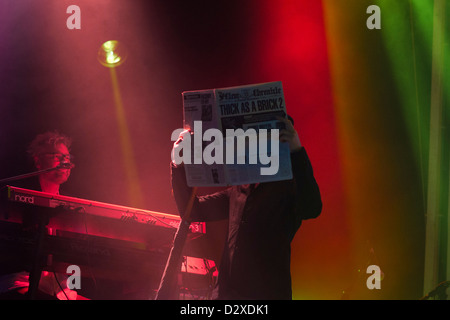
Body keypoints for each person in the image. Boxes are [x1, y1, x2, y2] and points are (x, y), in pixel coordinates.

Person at [170, 116, 322, 300]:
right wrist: (178, 164)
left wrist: (297, 151)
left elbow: (312, 208)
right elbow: (192, 211)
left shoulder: (287, 189)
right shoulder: (238, 190)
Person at [0, 131, 80, 300]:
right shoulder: (18, 199)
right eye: (56, 156)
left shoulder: (72, 207)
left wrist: (74, 289)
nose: (64, 162)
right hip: (19, 283)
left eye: (66, 157)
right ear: (38, 161)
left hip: (61, 291)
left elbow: (76, 258)